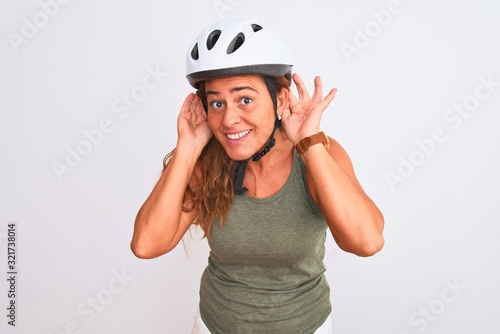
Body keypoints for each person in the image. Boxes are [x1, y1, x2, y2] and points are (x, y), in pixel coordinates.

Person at [130, 18, 384, 334]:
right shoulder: (205, 161)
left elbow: (366, 241)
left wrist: (309, 141)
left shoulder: (319, 153)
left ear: (279, 99)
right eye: (217, 103)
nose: (229, 119)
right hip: (214, 326)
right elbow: (146, 245)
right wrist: (187, 148)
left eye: (245, 99)